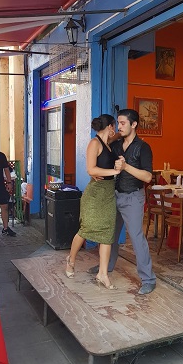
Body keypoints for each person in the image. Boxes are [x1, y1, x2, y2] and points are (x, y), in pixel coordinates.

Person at [89, 109, 156, 295]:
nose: (119, 127)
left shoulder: (143, 147)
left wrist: (126, 166)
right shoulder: (117, 144)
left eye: (123, 123)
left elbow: (148, 176)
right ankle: (106, 267)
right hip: (114, 194)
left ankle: (148, 279)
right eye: (118, 123)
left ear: (134, 124)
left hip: (132, 197)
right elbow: (102, 147)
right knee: (109, 234)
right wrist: (96, 174)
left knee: (136, 238)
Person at [65, 114, 120, 289]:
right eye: (115, 126)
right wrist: (115, 171)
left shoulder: (108, 145)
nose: (116, 130)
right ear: (110, 126)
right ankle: (71, 260)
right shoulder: (94, 143)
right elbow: (91, 169)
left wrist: (124, 132)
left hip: (108, 194)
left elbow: (118, 136)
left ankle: (102, 274)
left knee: (107, 232)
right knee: (86, 229)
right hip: (95, 194)